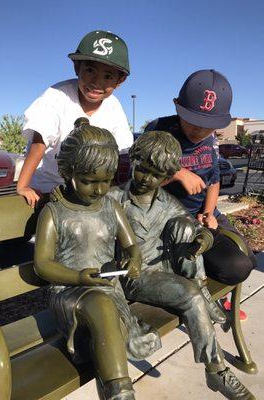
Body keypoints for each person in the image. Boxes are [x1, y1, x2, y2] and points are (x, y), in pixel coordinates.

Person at [110, 131, 255, 400]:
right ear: (133, 161)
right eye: (141, 169)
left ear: (166, 179)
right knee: (189, 295)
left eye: (155, 176)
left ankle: (200, 290)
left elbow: (194, 227)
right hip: (137, 274)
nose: (145, 179)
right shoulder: (114, 200)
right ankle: (216, 371)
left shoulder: (166, 202)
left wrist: (203, 238)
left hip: (166, 268)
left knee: (184, 227)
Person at [34, 118, 160, 400]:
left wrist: (134, 261)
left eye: (106, 181)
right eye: (89, 181)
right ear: (68, 173)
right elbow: (42, 265)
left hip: (106, 289)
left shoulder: (111, 207)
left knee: (104, 303)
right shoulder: (54, 213)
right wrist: (78, 277)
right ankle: (120, 392)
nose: (99, 190)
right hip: (68, 292)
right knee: (101, 304)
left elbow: (132, 247)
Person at [145, 69, 257, 293]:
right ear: (177, 105)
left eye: (209, 124)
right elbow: (140, 185)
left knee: (247, 260)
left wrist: (208, 213)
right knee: (230, 266)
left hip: (203, 216)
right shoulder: (158, 131)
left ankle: (207, 281)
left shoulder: (210, 139)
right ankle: (189, 281)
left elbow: (213, 180)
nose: (200, 129)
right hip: (168, 221)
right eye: (193, 120)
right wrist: (176, 171)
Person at [17, 30, 133, 208]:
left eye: (108, 76)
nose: (97, 82)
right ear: (77, 67)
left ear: (120, 80)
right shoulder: (57, 96)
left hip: (87, 189)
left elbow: (122, 154)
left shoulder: (114, 107)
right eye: (90, 70)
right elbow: (40, 141)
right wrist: (23, 186)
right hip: (48, 186)